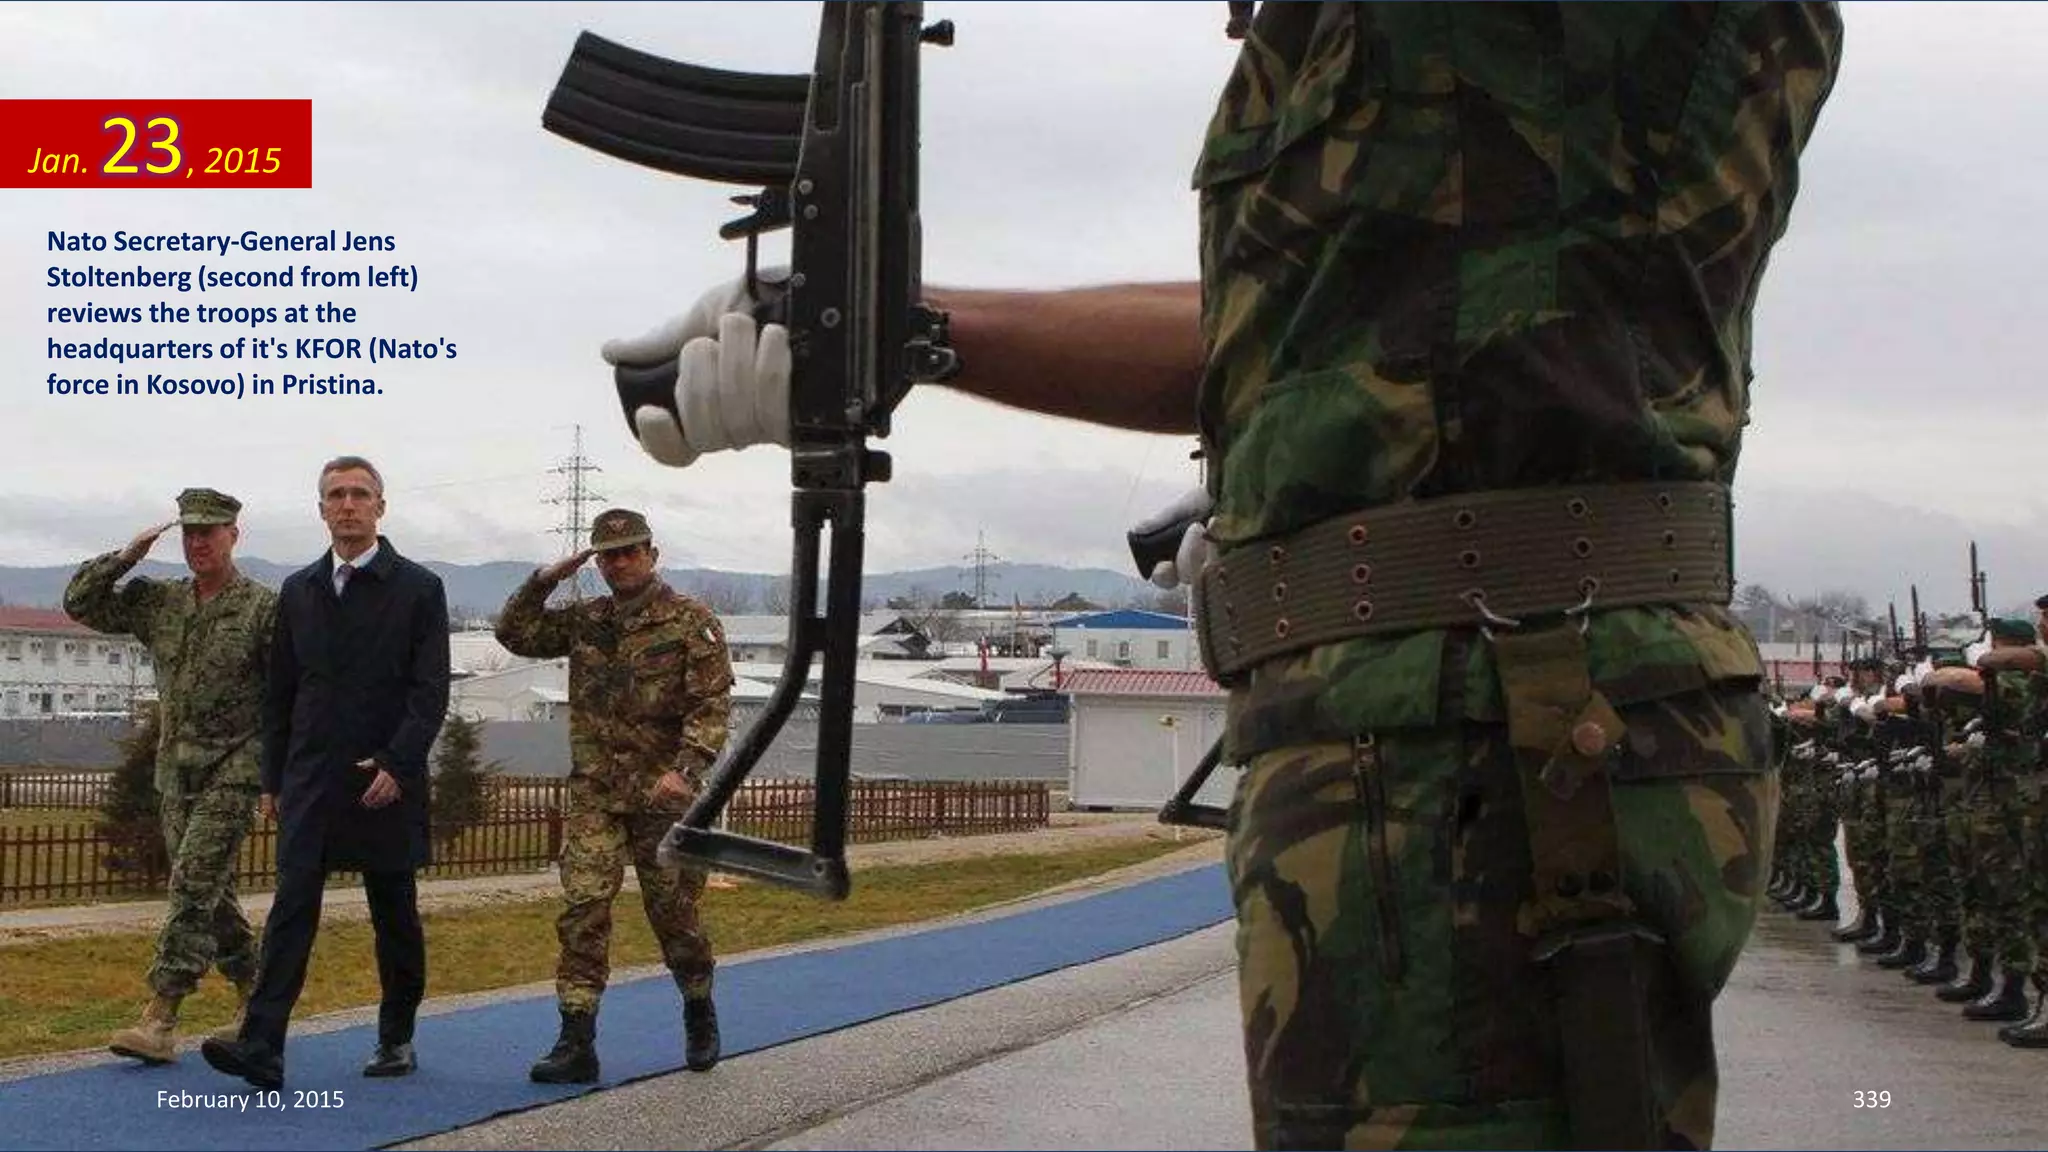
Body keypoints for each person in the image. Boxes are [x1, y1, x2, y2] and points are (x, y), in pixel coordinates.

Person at [599, 5, 1843, 1147]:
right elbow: (1289, 329)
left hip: (1488, 736)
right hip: (1431, 728)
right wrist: (890, 323)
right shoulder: (1449, 79)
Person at [201, 455, 450, 1090]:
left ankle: (396, 1036)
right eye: (336, 495)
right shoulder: (299, 590)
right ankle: (263, 1044)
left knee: (394, 913)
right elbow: (281, 691)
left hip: (382, 776)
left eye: (360, 494)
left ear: (380, 507)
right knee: (291, 908)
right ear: (321, 510)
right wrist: (272, 778)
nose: (348, 505)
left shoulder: (418, 589)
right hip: (310, 776)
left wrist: (400, 760)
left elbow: (430, 691)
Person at [495, 508, 734, 1083]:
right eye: (609, 555)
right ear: (597, 563)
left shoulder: (689, 621)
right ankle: (577, 1039)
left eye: (630, 551)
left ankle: (699, 1007)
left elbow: (713, 704)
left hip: (664, 797)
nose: (620, 563)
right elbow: (514, 633)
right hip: (596, 794)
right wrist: (545, 580)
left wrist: (687, 769)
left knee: (674, 916)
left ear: (652, 554)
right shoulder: (587, 619)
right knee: (583, 912)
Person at [63, 488, 277, 1064]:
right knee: (209, 890)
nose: (198, 543)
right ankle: (260, 999)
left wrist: (277, 774)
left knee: (190, 884)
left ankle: (161, 1015)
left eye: (209, 531)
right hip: (174, 771)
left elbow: (291, 694)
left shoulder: (263, 609)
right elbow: (80, 604)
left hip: (235, 767)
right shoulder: (160, 602)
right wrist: (126, 557)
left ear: (235, 534)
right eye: (189, 533)